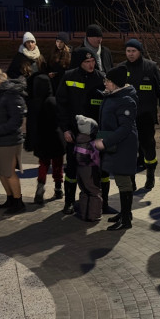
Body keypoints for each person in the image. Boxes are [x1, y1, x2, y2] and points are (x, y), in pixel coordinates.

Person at [56, 48, 106, 215]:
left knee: (98, 169)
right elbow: (61, 105)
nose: (91, 65)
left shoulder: (101, 78)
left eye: (92, 61)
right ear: (79, 63)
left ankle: (99, 202)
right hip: (74, 133)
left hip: (95, 134)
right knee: (72, 168)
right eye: (86, 62)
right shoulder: (69, 77)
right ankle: (69, 202)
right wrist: (65, 129)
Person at [95, 65, 139, 231]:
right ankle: (124, 214)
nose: (105, 83)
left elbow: (125, 129)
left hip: (123, 145)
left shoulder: (126, 100)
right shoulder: (113, 96)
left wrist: (105, 142)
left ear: (116, 83)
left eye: (108, 80)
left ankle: (126, 219)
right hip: (116, 144)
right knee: (121, 179)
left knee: (123, 181)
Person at [122, 39, 160, 190]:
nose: (130, 54)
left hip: (146, 116)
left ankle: (150, 174)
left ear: (140, 51)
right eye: (128, 51)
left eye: (133, 51)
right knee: (129, 149)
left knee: (148, 147)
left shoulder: (151, 67)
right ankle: (131, 180)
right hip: (127, 117)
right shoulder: (121, 68)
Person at [0, 75, 28, 215]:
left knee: (8, 172)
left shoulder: (11, 94)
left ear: (1, 79)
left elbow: (16, 120)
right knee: (0, 171)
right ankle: (10, 199)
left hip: (8, 141)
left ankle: (18, 202)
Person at [31, 76, 64, 206]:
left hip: (41, 139)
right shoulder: (54, 101)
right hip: (56, 138)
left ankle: (40, 186)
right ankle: (58, 188)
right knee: (58, 164)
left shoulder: (34, 103)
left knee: (43, 164)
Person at [72, 115, 103, 222]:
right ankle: (94, 215)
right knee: (94, 191)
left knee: (84, 191)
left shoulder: (78, 140)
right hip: (91, 170)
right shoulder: (93, 143)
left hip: (80, 170)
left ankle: (84, 213)